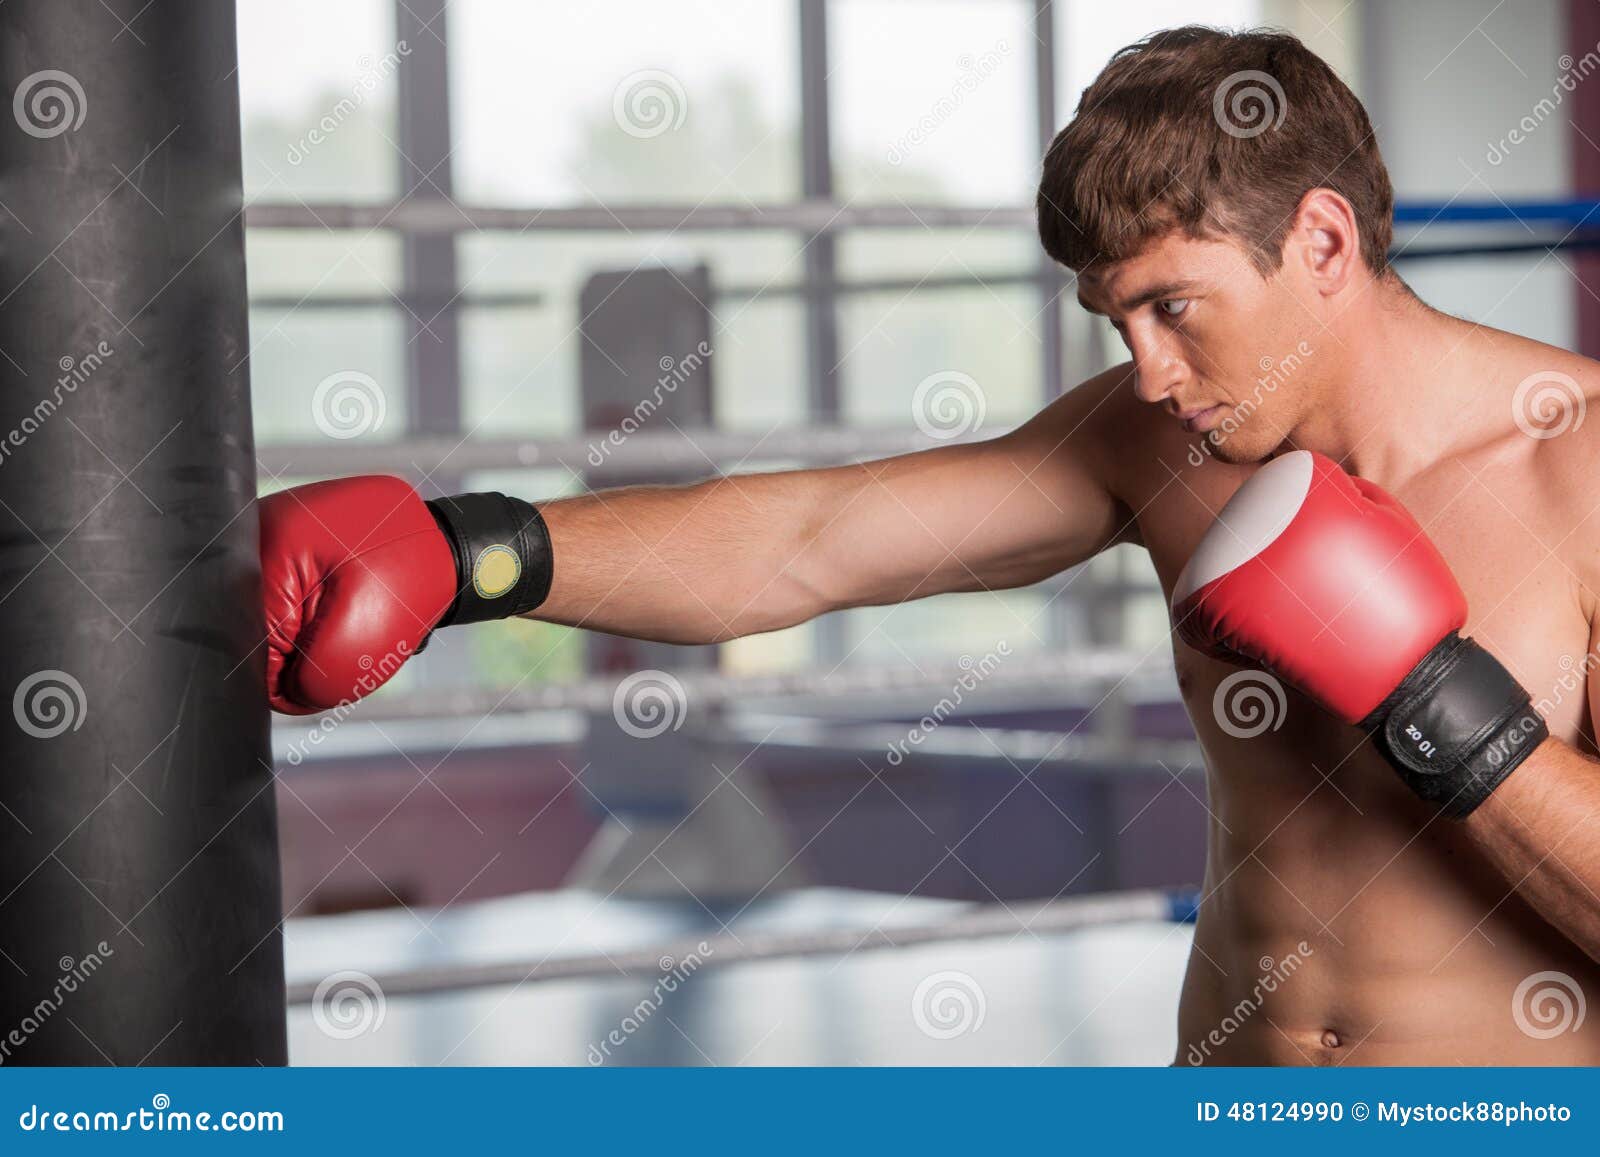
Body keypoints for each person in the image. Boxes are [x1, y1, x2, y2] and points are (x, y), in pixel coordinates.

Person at [260, 26, 1600, 1064]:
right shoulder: (1168, 445)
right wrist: (474, 551)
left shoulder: (1579, 464)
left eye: (1174, 307)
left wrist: (1436, 702)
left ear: (1320, 238)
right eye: (1113, 319)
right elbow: (817, 538)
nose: (1145, 372)